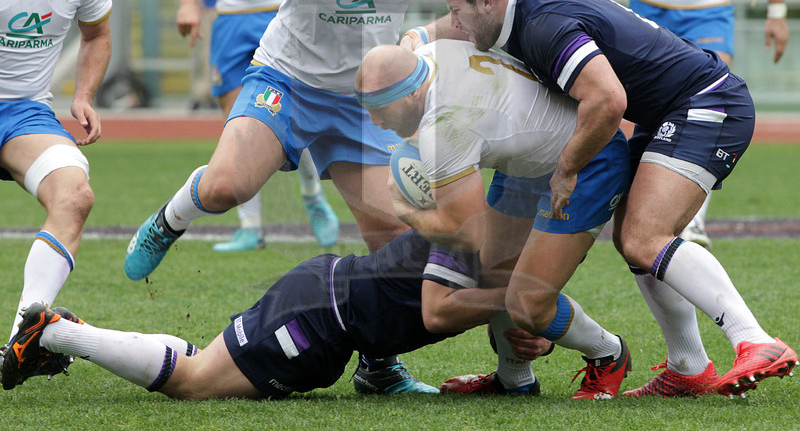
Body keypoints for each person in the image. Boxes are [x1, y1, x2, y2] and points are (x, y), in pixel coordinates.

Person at [65, 0, 545, 394]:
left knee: (390, 250)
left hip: (365, 101)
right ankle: (170, 219)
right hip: (286, 80)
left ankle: (378, 366)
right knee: (226, 188)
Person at [426, 0, 797, 398]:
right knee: (633, 242)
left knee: (645, 237)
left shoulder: (541, 22)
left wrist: (566, 169)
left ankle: (754, 340)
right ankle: (689, 366)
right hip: (669, 109)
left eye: (456, 11)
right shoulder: (525, 3)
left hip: (707, 101)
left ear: (488, 0)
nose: (455, 23)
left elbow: (608, 100)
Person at [355, 40, 632, 399]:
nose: (374, 120)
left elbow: (467, 234)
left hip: (586, 159)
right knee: (493, 275)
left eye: (379, 107)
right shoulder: (428, 51)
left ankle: (608, 353)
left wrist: (405, 209)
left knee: (528, 298)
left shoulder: (444, 127)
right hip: (528, 161)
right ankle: (514, 380)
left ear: (410, 95)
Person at [563, 0, 790, 249]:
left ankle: (694, 221)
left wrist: (777, 12)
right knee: (644, 123)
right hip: (647, 17)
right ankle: (628, 208)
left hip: (708, 12)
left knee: (710, 105)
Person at [1, 229, 553, 398]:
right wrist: (523, 311)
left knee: (204, 362)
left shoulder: (480, 213)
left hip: (322, 297)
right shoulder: (481, 232)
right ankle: (57, 334)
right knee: (193, 382)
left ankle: (64, 332)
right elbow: (438, 311)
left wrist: (525, 331)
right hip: (316, 322)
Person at [173, 0, 339, 251]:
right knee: (238, 123)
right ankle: (251, 228)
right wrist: (188, 2)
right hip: (230, 19)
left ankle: (313, 197)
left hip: (283, 15)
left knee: (286, 117)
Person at [0, 0, 113, 363]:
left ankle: (23, 339)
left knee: (75, 194)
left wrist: (84, 95)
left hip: (23, 112)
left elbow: (98, 34)